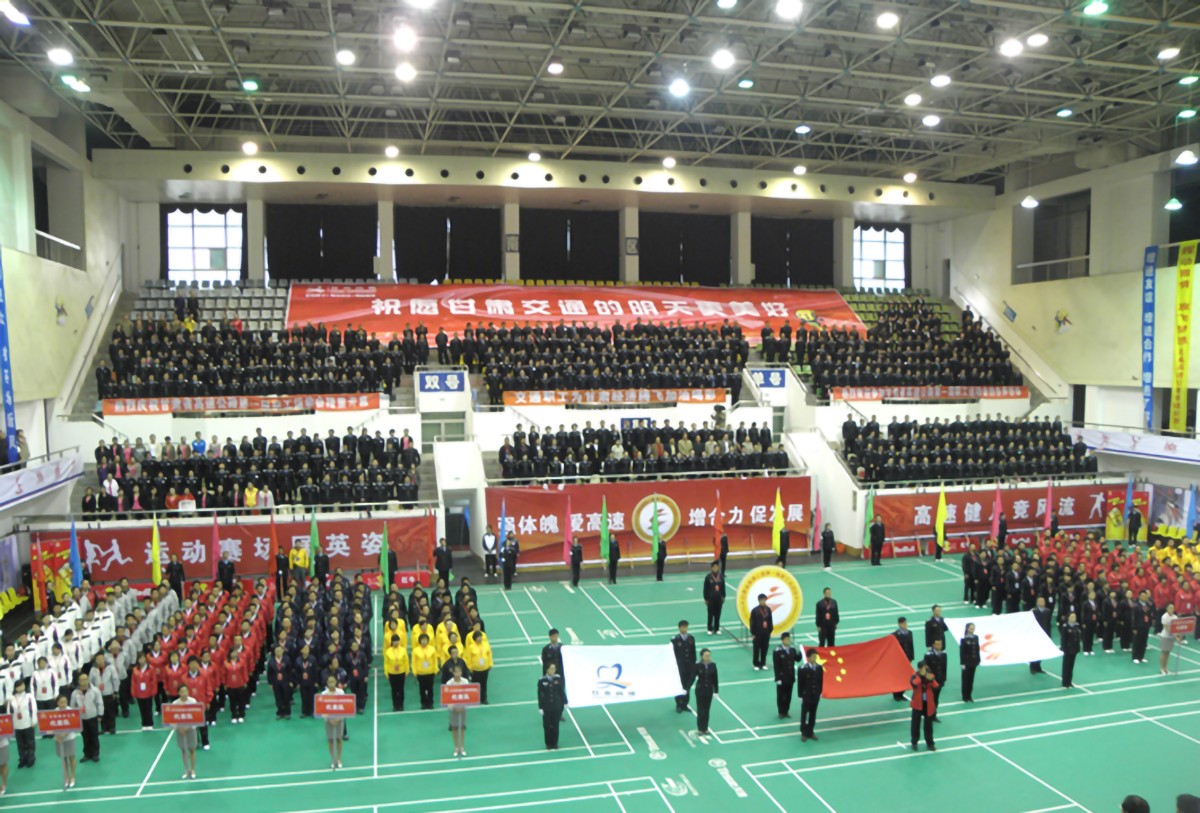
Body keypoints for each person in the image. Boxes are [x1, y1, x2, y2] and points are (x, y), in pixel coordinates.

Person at [72, 672, 103, 763]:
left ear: (88, 680)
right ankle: (87, 754)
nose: (84, 681)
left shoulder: (95, 690)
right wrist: (75, 716)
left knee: (94, 736)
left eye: (86, 679)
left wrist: (100, 714)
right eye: (82, 680)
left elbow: (99, 703)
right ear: (78, 681)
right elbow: (72, 705)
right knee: (85, 737)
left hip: (92, 717)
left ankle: (95, 754)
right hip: (81, 718)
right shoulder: (75, 693)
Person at [173, 684, 201, 779]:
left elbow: (196, 716)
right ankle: (186, 769)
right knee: (183, 750)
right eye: (182, 691)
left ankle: (192, 769)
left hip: (191, 729)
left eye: (186, 691)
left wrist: (188, 727)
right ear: (179, 693)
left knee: (192, 750)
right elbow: (172, 719)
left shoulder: (193, 701)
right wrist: (179, 728)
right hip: (180, 731)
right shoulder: (175, 704)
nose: (184, 693)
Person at [909, 660, 938, 751]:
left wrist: (930, 679)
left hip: (928, 704)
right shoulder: (914, 676)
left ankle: (930, 743)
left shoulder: (930, 675)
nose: (926, 669)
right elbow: (914, 684)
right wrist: (921, 676)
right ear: (920, 668)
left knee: (928, 726)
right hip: (917, 704)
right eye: (924, 668)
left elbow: (936, 686)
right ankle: (914, 742)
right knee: (915, 725)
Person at [537, 662, 566, 750]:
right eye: (551, 668)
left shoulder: (558, 679)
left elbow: (561, 692)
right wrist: (540, 707)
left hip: (556, 706)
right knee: (547, 725)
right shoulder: (542, 681)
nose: (553, 670)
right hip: (546, 707)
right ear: (547, 669)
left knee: (555, 725)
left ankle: (555, 743)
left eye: (554, 669)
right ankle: (548, 744)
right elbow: (540, 695)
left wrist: (565, 702)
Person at [319, 675, 346, 770]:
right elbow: (322, 710)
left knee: (339, 739)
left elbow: (344, 707)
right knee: (330, 740)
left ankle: (339, 759)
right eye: (329, 682)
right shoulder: (323, 694)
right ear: (327, 683)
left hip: (339, 720)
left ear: (336, 682)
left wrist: (338, 718)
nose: (331, 683)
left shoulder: (341, 692)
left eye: (333, 681)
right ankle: (333, 759)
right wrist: (330, 720)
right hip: (328, 721)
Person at [9, 679, 37, 768]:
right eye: (18, 686)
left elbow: (33, 709)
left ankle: (31, 758)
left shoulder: (29, 696)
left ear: (24, 686)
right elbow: (9, 712)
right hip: (17, 724)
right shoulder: (12, 698)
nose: (21, 687)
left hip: (28, 723)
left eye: (22, 685)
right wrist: (10, 724)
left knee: (30, 742)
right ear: (15, 688)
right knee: (20, 743)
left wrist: (33, 721)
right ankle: (22, 759)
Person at [797, 648, 823, 742]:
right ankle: (803, 733)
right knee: (804, 715)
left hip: (815, 695)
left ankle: (810, 731)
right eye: (813, 656)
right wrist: (800, 696)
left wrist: (820, 692)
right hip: (806, 696)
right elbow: (800, 683)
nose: (814, 658)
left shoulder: (819, 668)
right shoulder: (802, 669)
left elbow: (820, 681)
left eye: (816, 656)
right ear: (808, 658)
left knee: (813, 714)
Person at [90, 652, 119, 735]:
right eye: (98, 659)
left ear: (104, 659)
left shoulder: (110, 667)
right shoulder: (93, 669)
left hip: (109, 692)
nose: (100, 660)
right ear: (96, 660)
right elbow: (90, 682)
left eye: (101, 658)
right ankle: (103, 728)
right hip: (98, 694)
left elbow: (115, 679)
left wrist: (115, 691)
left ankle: (112, 727)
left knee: (110, 711)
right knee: (101, 711)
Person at [671, 621, 697, 713]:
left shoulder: (691, 638)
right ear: (679, 628)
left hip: (689, 666)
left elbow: (693, 652)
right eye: (682, 627)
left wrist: (694, 664)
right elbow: (672, 654)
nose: (684, 629)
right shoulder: (675, 640)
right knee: (679, 686)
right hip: (679, 667)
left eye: (685, 627)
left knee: (687, 686)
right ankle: (679, 704)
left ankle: (685, 704)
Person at [446, 663, 470, 757]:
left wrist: (462, 705)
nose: (458, 673)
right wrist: (454, 706)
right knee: (454, 728)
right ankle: (456, 747)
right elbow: (447, 697)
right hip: (453, 708)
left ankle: (462, 747)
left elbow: (468, 695)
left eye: (459, 671)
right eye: (456, 672)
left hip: (463, 708)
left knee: (462, 727)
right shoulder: (449, 683)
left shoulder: (465, 682)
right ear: (453, 673)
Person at [53, 694, 77, 789]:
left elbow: (73, 724)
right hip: (58, 739)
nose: (63, 704)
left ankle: (72, 776)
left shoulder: (70, 711)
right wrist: (58, 735)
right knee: (63, 759)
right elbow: (51, 725)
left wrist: (64, 734)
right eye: (61, 702)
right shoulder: (54, 712)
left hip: (69, 738)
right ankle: (66, 777)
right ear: (57, 703)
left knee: (71, 758)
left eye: (65, 702)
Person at [694, 648, 718, 736]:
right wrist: (686, 687)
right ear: (702, 656)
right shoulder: (698, 665)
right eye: (706, 656)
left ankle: (705, 728)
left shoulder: (713, 665)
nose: (708, 657)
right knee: (700, 710)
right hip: (700, 690)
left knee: (707, 710)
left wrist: (716, 691)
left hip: (709, 690)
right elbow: (692, 676)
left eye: (709, 655)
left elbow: (715, 678)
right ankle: (700, 728)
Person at [773, 632, 798, 718]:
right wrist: (778, 678)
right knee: (781, 696)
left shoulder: (792, 650)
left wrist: (802, 652)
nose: (788, 641)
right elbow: (776, 666)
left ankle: (786, 711)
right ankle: (781, 711)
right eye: (786, 639)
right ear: (782, 640)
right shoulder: (777, 651)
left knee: (788, 696)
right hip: (782, 678)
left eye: (788, 639)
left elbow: (797, 659)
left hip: (790, 677)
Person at [1158, 602, 1185, 676]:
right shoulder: (1164, 616)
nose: (1172, 609)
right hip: (1165, 637)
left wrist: (1179, 636)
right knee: (1164, 652)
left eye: (1173, 608)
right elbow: (1167, 628)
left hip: (1171, 637)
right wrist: (1176, 636)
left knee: (1168, 653)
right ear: (1167, 609)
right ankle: (1161, 668)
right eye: (1170, 608)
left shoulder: (1175, 617)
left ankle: (1166, 668)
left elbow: (1176, 627)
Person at [384, 634, 409, 712]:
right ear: (392, 642)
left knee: (401, 689)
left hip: (401, 672)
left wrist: (407, 671)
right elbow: (386, 663)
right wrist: (386, 672)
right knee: (394, 690)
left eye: (397, 641)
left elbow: (406, 661)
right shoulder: (388, 651)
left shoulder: (403, 650)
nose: (396, 642)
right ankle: (395, 705)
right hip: (392, 673)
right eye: (394, 641)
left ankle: (401, 705)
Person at [412, 633, 438, 710]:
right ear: (420, 641)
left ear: (428, 640)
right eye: (422, 640)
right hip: (420, 673)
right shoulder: (416, 650)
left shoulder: (432, 649)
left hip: (430, 672)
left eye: (425, 640)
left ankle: (430, 703)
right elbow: (414, 662)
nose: (424, 641)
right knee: (422, 689)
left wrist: (435, 669)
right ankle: (423, 703)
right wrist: (414, 671)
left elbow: (435, 660)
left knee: (430, 689)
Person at [132, 652, 157, 730]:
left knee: (148, 708)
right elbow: (133, 682)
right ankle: (144, 724)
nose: (141, 660)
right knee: (142, 709)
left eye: (143, 658)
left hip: (148, 692)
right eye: (140, 659)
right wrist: (133, 692)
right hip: (139, 692)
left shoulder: (151, 668)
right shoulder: (135, 669)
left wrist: (153, 691)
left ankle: (150, 723)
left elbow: (153, 680)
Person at [465, 631, 492, 704]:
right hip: (475, 670)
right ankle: (475, 698)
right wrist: (470, 668)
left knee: (484, 684)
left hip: (485, 668)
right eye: (478, 637)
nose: (480, 638)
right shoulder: (471, 647)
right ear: (475, 638)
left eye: (480, 637)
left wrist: (490, 664)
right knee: (475, 684)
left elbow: (489, 654)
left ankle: (484, 699)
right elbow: (468, 658)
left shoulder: (486, 645)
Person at [267, 645, 293, 719]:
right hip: (276, 683)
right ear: (275, 652)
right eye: (277, 651)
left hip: (285, 682)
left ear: (282, 651)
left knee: (286, 697)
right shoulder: (271, 661)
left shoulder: (287, 659)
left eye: (280, 651)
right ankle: (280, 712)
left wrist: (290, 681)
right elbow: (269, 673)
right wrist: (270, 683)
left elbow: (290, 671)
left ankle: (287, 713)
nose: (278, 652)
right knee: (278, 698)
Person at [749, 593, 774, 670]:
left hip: (766, 633)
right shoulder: (755, 610)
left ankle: (763, 663)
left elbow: (770, 621)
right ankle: (756, 664)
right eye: (761, 600)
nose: (763, 601)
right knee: (756, 649)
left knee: (764, 648)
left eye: (764, 600)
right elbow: (752, 622)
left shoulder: (768, 609)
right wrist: (753, 633)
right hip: (757, 633)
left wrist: (769, 631)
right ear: (759, 601)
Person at [892, 617, 915, 701]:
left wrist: (911, 657)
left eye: (905, 623)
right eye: (903, 623)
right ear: (899, 624)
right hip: (899, 660)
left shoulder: (909, 633)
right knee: (898, 677)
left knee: (906, 677)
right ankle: (896, 694)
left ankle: (901, 693)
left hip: (907, 658)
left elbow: (911, 646)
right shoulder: (894, 635)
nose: (905, 625)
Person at [925, 638, 947, 719]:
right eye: (937, 644)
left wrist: (944, 679)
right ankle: (928, 715)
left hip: (939, 681)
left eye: (940, 644)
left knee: (936, 699)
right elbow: (926, 669)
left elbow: (944, 668)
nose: (939, 646)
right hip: (931, 681)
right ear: (933, 645)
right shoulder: (928, 655)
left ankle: (934, 714)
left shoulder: (944, 655)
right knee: (930, 699)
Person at [1060, 611, 1082, 688]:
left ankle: (1069, 681)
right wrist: (1063, 649)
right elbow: (1063, 639)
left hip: (1074, 649)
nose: (1073, 618)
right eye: (1072, 616)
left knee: (1071, 666)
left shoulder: (1077, 625)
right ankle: (1065, 682)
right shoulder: (1065, 626)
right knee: (1066, 666)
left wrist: (1078, 648)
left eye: (1074, 617)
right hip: (1067, 649)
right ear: (1068, 617)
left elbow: (1078, 638)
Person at [1031, 596, 1052, 674]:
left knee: (1041, 651)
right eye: (1040, 601)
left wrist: (1049, 634)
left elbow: (1049, 623)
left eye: (1043, 601)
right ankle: (1032, 666)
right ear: (1037, 603)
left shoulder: (1047, 611)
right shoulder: (1033, 611)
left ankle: (1038, 666)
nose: (1042, 603)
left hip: (1044, 633)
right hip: (1036, 634)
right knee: (1034, 650)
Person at [960, 622, 980, 702]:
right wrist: (962, 663)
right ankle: (964, 696)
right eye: (971, 628)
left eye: (973, 628)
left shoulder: (976, 637)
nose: (972, 629)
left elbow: (977, 649)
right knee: (965, 680)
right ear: (967, 628)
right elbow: (962, 652)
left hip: (973, 662)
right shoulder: (964, 639)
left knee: (971, 680)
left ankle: (969, 696)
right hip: (966, 663)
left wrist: (978, 659)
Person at [703, 561, 725, 634]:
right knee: (710, 614)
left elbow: (723, 587)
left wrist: (723, 596)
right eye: (714, 567)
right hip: (710, 599)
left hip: (719, 599)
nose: (715, 568)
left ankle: (716, 629)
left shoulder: (721, 577)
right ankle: (709, 629)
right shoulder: (708, 577)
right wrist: (706, 598)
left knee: (718, 614)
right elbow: (705, 588)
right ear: (711, 568)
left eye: (717, 567)